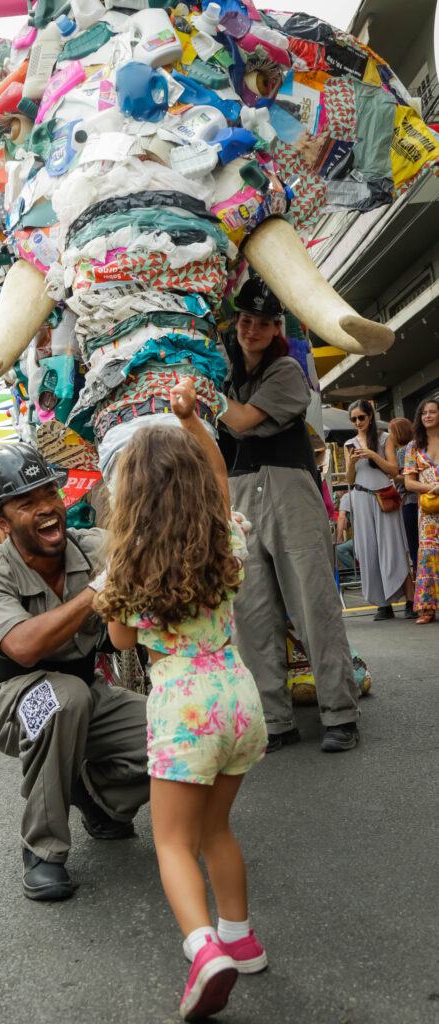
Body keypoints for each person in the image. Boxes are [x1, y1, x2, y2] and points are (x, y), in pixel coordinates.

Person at [95, 379, 267, 1021]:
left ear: (128, 497)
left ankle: (203, 949)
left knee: (171, 841)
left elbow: (119, 639)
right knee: (218, 827)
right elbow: (220, 475)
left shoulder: (124, 568)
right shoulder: (226, 538)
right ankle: (240, 939)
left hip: (181, 707)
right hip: (239, 699)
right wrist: (192, 419)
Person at [0, 444, 149, 901]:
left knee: (178, 732)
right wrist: (97, 590)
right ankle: (43, 850)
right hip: (9, 700)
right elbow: (23, 647)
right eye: (26, 502)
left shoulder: (93, 546)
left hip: (89, 690)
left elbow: (151, 552)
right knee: (63, 698)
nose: (46, 507)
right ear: (3, 523)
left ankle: (94, 798)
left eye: (49, 493)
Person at [217, 278, 359, 753]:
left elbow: (239, 421)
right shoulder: (226, 371)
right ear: (236, 323)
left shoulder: (287, 371)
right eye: (245, 321)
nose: (251, 329)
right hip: (238, 490)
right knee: (251, 613)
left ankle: (340, 714)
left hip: (288, 486)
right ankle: (274, 721)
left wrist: (198, 393)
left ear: (277, 327)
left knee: (312, 603)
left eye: (262, 322)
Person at [344, 400, 414, 620]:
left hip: (384, 498)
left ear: (370, 417)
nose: (357, 422)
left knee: (394, 548)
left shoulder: (385, 439)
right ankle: (383, 604)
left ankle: (411, 601)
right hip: (362, 498)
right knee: (369, 551)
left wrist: (373, 455)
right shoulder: (349, 444)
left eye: (361, 418)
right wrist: (351, 463)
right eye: (353, 419)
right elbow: (350, 480)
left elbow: (393, 470)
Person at [403, 398, 439, 624]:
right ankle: (427, 608)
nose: (427, 416)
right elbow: (408, 483)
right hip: (428, 511)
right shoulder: (413, 447)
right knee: (427, 553)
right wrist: (433, 488)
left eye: (432, 412)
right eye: (424, 412)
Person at [388, 417, 419, 574]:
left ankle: (422, 583)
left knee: (414, 546)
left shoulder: (402, 451)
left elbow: (404, 477)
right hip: (420, 500)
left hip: (409, 501)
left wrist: (390, 474)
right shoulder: (417, 448)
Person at [335, 490, 356, 572]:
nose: (345, 529)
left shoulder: (347, 496)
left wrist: (339, 539)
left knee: (340, 550)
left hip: (364, 539)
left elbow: (341, 517)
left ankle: (354, 578)